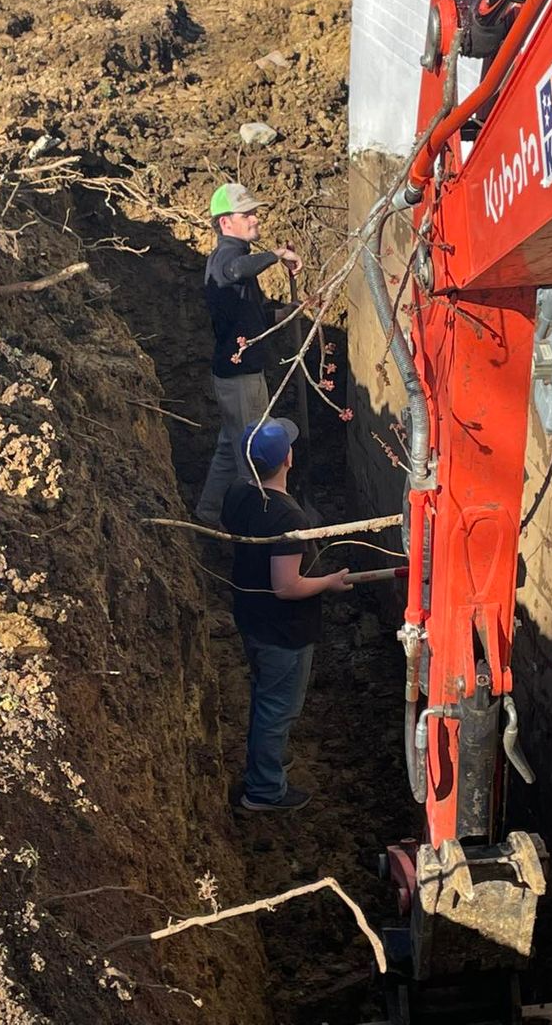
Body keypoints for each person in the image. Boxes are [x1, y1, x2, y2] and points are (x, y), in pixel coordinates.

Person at [221, 416, 350, 811]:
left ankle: (268, 758)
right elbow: (287, 586)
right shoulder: (288, 520)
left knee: (266, 696)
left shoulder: (239, 493)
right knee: (278, 707)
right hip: (284, 631)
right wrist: (328, 582)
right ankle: (264, 790)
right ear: (288, 459)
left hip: (252, 618)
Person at [195, 182, 303, 527]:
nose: (256, 219)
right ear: (226, 223)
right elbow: (236, 271)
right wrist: (276, 255)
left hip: (237, 373)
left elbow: (250, 315)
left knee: (230, 449)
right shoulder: (228, 256)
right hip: (239, 377)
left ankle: (209, 514)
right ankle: (258, 531)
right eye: (248, 214)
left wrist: (286, 313)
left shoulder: (235, 261)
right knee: (254, 458)